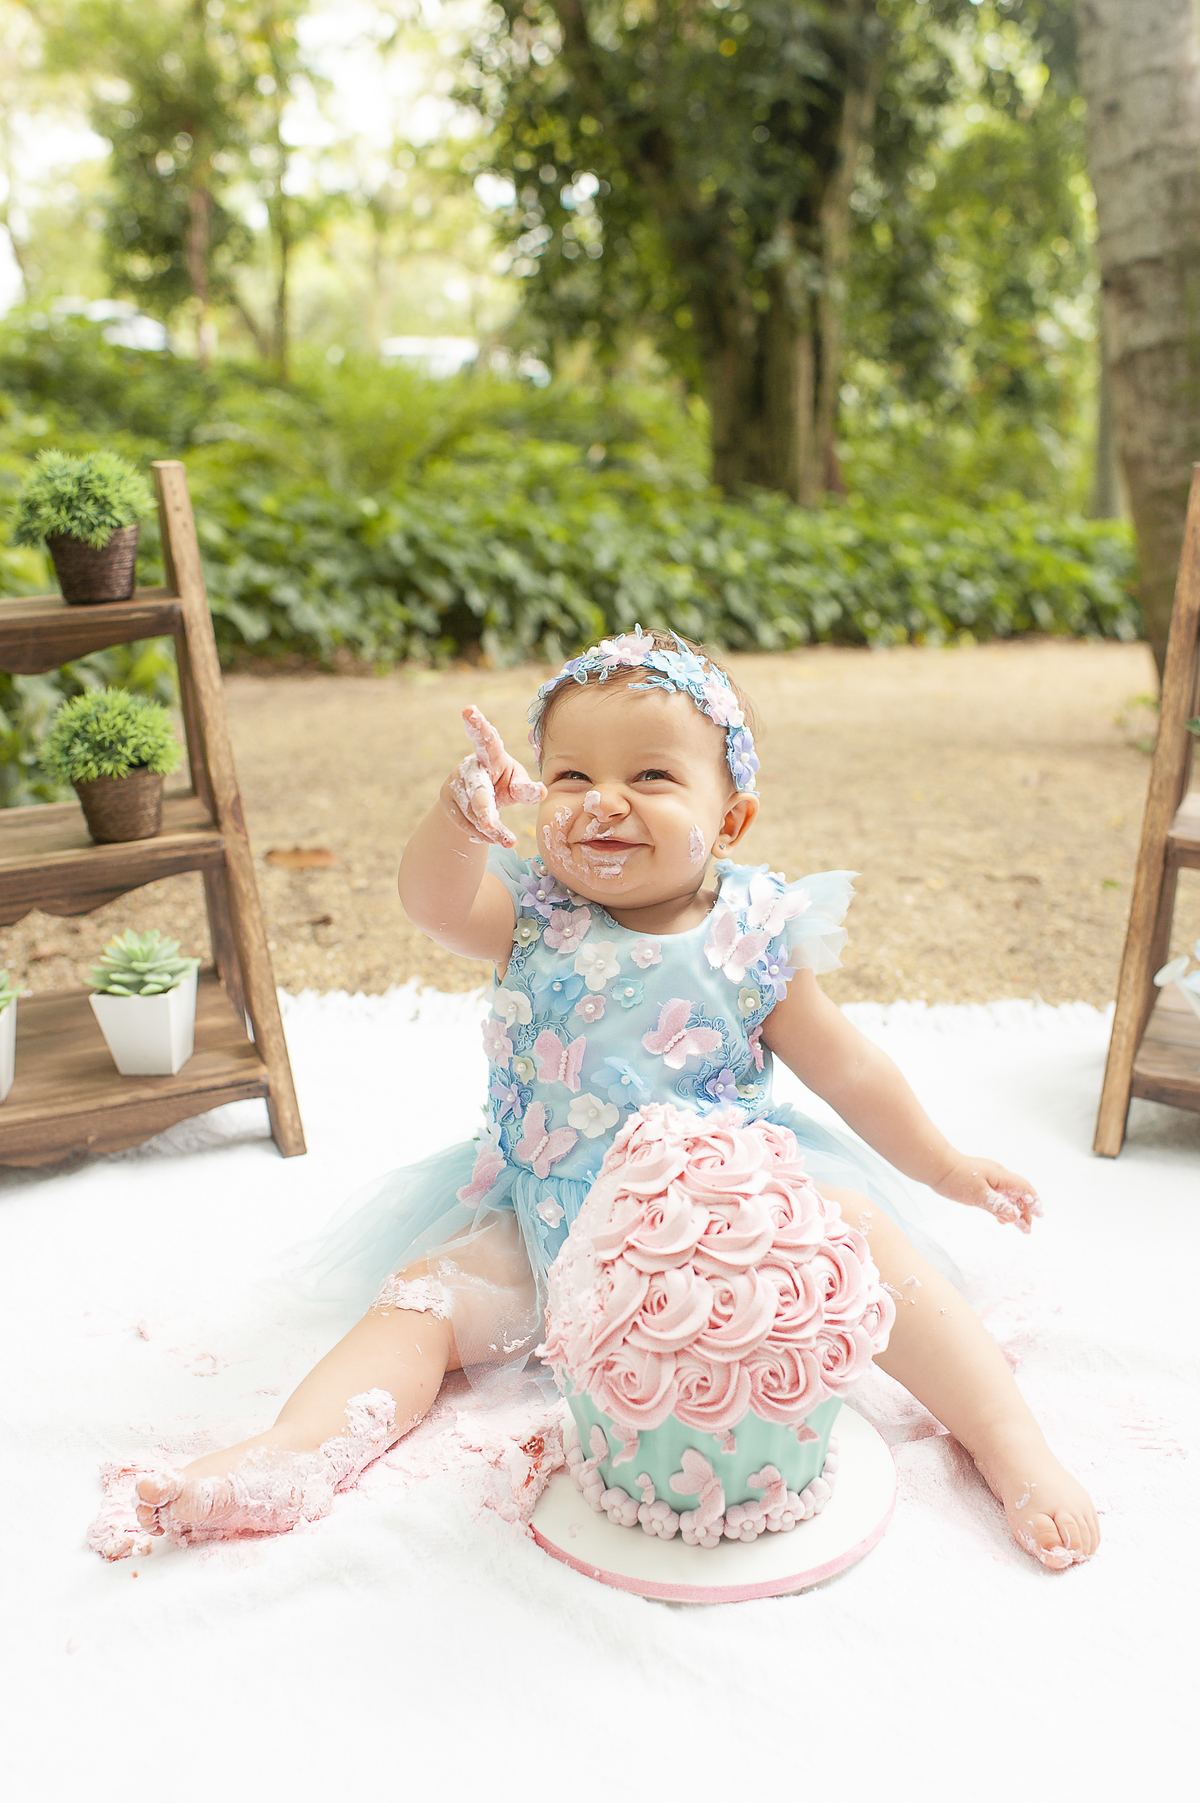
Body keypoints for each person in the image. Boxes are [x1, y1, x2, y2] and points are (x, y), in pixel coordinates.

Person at [115, 629, 1098, 1570]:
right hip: (552, 1222)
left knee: (864, 1245)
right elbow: (435, 904)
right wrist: (456, 821)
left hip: (731, 1228)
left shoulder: (754, 933)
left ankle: (1009, 1440)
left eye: (653, 776)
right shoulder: (529, 912)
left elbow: (851, 1069)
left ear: (731, 819)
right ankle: (293, 1452)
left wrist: (945, 1166)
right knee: (420, 1302)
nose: (604, 801)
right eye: (572, 776)